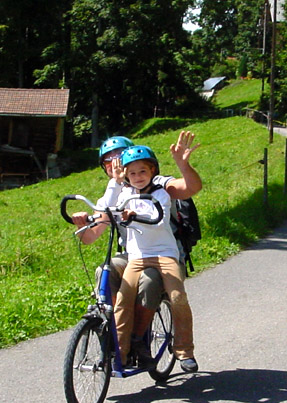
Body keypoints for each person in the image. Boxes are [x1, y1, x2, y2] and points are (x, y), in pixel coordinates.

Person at [71, 132, 202, 370]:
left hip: (166, 255)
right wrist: (81, 225)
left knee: (150, 283)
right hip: (134, 255)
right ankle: (115, 337)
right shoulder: (118, 191)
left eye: (119, 156)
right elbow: (91, 235)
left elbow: (190, 188)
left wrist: (183, 164)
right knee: (105, 273)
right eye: (108, 160)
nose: (115, 163)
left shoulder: (159, 184)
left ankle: (139, 339)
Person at [110, 139, 200, 373]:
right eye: (132, 173)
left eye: (143, 171)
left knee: (178, 296)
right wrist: (116, 184)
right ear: (127, 176)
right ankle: (120, 353)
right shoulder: (125, 193)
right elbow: (113, 212)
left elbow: (157, 220)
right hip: (137, 257)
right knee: (122, 301)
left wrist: (132, 217)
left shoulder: (160, 194)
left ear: (153, 171)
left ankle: (184, 351)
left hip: (164, 255)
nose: (138, 176)